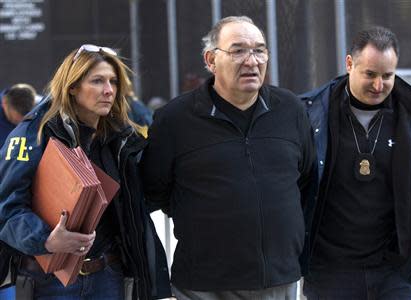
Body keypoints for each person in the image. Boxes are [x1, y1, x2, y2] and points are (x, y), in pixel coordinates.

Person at [140, 16, 317, 299]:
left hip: (278, 281)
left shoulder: (291, 109)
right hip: (204, 285)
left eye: (260, 50)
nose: (252, 60)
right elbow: (154, 191)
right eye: (238, 51)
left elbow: (306, 180)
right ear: (210, 60)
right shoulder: (174, 120)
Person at [0, 44, 171, 299]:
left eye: (113, 81)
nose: (108, 90)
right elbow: (6, 206)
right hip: (49, 280)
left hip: (109, 275)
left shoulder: (121, 139)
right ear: (72, 86)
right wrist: (46, 239)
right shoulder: (33, 134)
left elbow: (137, 209)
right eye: (97, 81)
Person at [299, 26, 411, 299]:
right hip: (329, 272)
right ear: (349, 64)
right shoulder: (310, 117)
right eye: (370, 74)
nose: (379, 85)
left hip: (395, 272)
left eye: (387, 76)